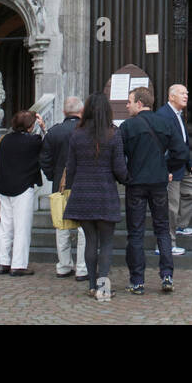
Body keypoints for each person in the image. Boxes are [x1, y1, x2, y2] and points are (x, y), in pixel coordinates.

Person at [119, 87, 187, 294]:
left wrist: (125, 176)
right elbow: (181, 152)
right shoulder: (165, 123)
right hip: (159, 183)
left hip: (136, 184)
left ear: (139, 103)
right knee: (162, 229)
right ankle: (167, 275)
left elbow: (118, 156)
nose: (127, 105)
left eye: (129, 101)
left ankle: (137, 280)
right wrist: (169, 169)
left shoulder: (128, 126)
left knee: (136, 232)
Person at [63, 92, 128, 298]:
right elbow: (119, 168)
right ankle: (102, 287)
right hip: (105, 192)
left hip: (82, 193)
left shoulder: (77, 134)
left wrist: (70, 188)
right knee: (106, 243)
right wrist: (129, 179)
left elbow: (71, 167)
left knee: (90, 241)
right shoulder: (113, 134)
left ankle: (92, 285)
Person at [0, 110, 47, 276]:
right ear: (31, 126)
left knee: (5, 227)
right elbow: (49, 144)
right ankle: (18, 265)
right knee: (22, 228)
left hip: (4, 187)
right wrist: (43, 127)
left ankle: (3, 262)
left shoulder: (4, 140)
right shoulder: (33, 141)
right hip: (23, 188)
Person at [39, 96, 87, 281]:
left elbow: (44, 159)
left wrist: (53, 176)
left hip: (60, 184)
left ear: (63, 112)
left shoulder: (54, 132)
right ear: (81, 112)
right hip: (83, 183)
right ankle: (82, 268)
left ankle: (64, 265)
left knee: (62, 226)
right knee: (84, 227)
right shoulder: (85, 131)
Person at [161, 84, 192, 241]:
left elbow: (182, 143)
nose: (186, 96)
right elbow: (162, 145)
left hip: (182, 166)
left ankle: (180, 225)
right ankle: (169, 242)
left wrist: (190, 163)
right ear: (171, 97)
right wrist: (165, 169)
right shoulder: (164, 115)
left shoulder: (178, 114)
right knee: (172, 206)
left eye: (187, 93)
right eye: (182, 93)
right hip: (170, 168)